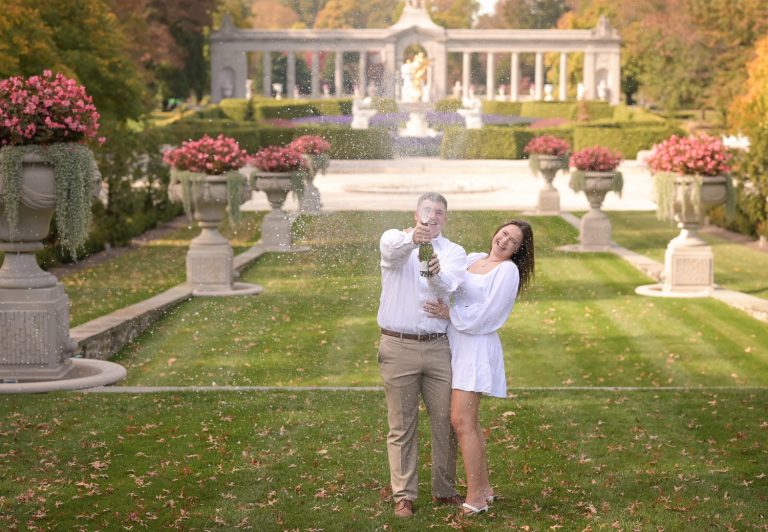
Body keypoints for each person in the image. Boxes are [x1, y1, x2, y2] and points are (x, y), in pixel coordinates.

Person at [424, 220, 535, 516]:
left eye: (513, 241)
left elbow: (489, 315)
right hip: (458, 344)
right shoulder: (473, 259)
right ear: (496, 231)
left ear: (518, 250)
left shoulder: (507, 271)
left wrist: (450, 313)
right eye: (504, 233)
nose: (504, 241)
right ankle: (484, 489)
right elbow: (447, 281)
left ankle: (475, 498)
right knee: (469, 423)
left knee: (461, 421)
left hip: (476, 348)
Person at [377, 192, 468, 518]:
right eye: (428, 210)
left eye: (440, 212)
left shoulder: (454, 252)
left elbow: (447, 289)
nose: (433, 216)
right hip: (398, 346)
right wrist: (413, 241)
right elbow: (391, 255)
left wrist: (435, 273)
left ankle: (444, 489)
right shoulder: (394, 239)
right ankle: (404, 496)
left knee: (447, 420)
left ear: (445, 218)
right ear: (416, 214)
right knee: (402, 424)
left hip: (438, 348)